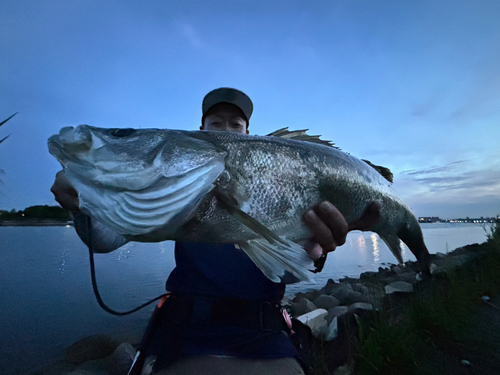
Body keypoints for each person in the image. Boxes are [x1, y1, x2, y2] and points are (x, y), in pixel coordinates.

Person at [51, 88, 380, 375]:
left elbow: (288, 270)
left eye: (235, 125)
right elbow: (103, 239)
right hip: (185, 340)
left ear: (249, 134)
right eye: (216, 124)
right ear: (200, 133)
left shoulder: (275, 183)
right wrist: (84, 202)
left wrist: (314, 252)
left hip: (266, 343)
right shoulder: (169, 195)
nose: (227, 131)